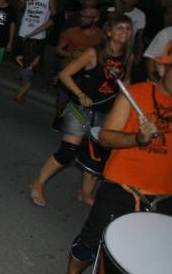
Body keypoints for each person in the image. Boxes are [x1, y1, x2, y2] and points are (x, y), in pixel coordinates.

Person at [55, 39, 172, 274]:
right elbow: (107, 137)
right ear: (161, 69)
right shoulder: (135, 95)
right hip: (123, 186)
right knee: (92, 238)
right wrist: (138, 139)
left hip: (168, 196)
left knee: (157, 256)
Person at [29, 16, 133, 207]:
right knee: (67, 152)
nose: (125, 32)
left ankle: (85, 193)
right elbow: (65, 74)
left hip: (106, 113)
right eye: (120, 28)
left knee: (96, 157)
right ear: (109, 32)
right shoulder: (94, 53)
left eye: (128, 28)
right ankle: (37, 183)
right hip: (80, 109)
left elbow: (126, 85)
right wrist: (80, 93)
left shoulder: (128, 56)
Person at [13, 0, 57, 102]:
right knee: (20, 58)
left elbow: (53, 14)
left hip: (38, 34)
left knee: (32, 63)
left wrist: (47, 20)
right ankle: (22, 86)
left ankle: (21, 92)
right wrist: (24, 1)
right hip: (24, 31)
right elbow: (19, 7)